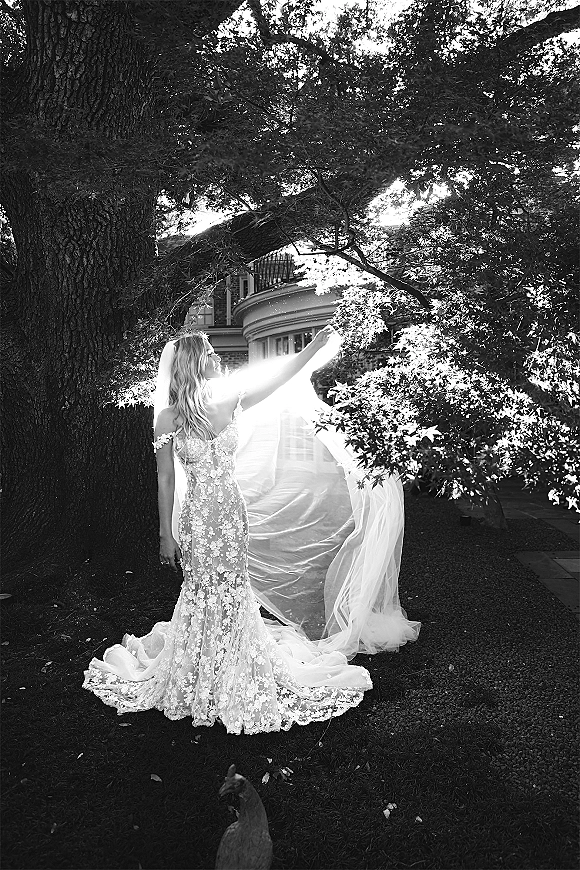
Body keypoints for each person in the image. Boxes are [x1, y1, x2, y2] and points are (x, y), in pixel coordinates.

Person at [83, 327, 420, 734]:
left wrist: (312, 349)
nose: (216, 358)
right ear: (193, 361)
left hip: (231, 515)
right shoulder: (167, 418)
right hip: (197, 519)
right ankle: (201, 662)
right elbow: (166, 480)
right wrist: (165, 534)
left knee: (233, 590)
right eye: (208, 352)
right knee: (201, 590)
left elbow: (278, 380)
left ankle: (236, 658)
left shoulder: (230, 398)